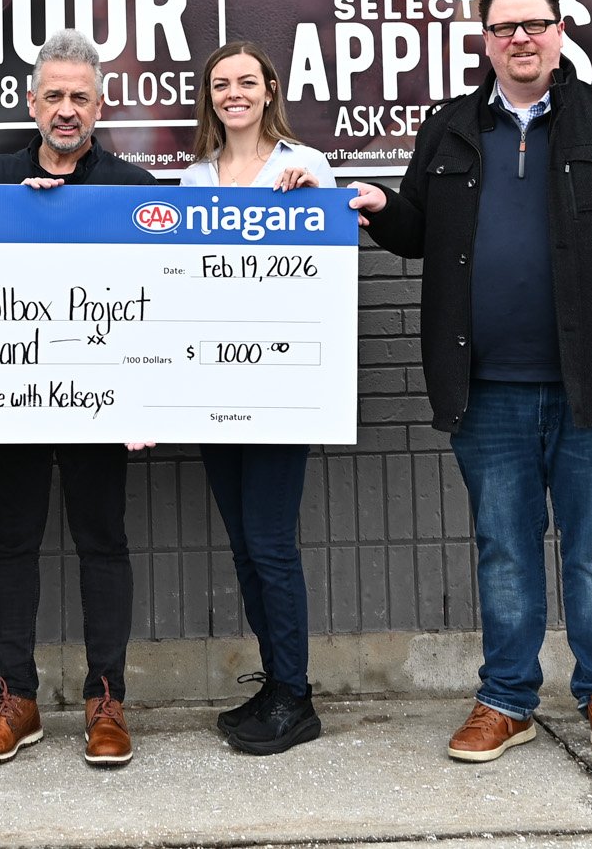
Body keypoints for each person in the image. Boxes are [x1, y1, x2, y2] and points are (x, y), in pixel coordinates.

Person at [348, 0, 592, 772]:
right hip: (485, 388)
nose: (520, 39)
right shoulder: (451, 127)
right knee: (505, 550)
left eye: (535, 25)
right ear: (484, 42)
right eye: (504, 28)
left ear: (560, 32)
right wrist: (380, 205)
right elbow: (417, 233)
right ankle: (507, 701)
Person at [0, 29, 156, 768]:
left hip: (102, 402)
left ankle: (107, 698)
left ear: (100, 106)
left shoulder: (134, 186)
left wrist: (150, 402)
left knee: (102, 541)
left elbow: (159, 303)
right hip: (13, 396)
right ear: (31, 102)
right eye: (55, 96)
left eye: (80, 97)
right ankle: (17, 698)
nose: (66, 110)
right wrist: (22, 210)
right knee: (13, 541)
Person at [179, 40, 333, 756]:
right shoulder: (194, 176)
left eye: (246, 81)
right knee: (244, 545)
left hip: (279, 385)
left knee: (271, 543)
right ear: (209, 97)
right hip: (212, 383)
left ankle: (296, 696)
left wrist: (315, 204)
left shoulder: (301, 168)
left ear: (270, 89)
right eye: (220, 84)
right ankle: (275, 683)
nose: (233, 93)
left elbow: (331, 265)